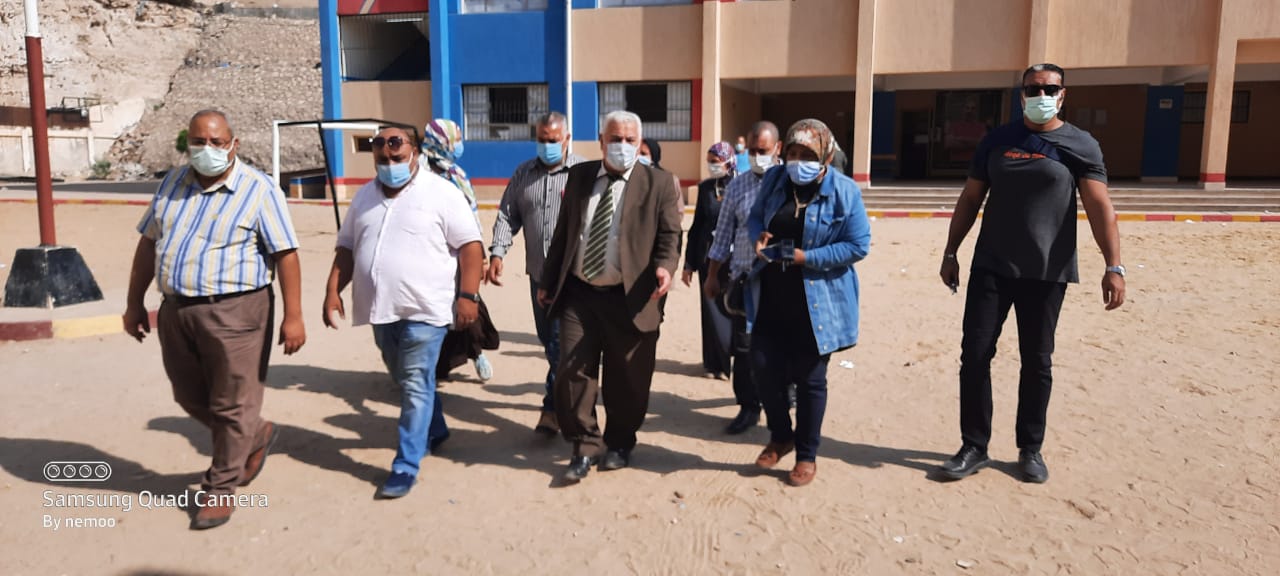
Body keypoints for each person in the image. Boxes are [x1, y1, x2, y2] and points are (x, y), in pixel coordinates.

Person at [937, 63, 1126, 484]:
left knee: (1037, 361)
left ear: (1063, 94)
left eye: (1049, 89)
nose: (1041, 95)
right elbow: (970, 198)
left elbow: (1100, 208)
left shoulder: (1081, 145)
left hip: (1046, 272)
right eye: (1033, 89)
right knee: (975, 356)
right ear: (1021, 94)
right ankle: (973, 446)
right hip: (991, 267)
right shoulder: (997, 141)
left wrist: (1113, 265)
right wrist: (951, 251)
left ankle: (1030, 448)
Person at [123, 109, 306, 529]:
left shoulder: (258, 189)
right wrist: (134, 303)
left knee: (232, 404)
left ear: (233, 144)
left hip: (237, 311)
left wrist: (293, 316)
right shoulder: (172, 183)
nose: (207, 150)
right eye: (199, 142)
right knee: (188, 396)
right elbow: (148, 244)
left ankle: (220, 488)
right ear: (187, 143)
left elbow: (286, 254)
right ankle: (254, 434)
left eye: (217, 142)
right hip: (176, 310)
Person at [322, 125, 484, 499]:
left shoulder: (442, 192)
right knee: (407, 377)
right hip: (380, 309)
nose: (389, 161)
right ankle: (435, 428)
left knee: (413, 381)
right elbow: (347, 248)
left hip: (427, 309)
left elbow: (471, 246)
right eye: (381, 155)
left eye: (397, 153)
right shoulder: (364, 197)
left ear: (415, 152)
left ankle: (406, 464)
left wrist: (468, 296)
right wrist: (332, 291)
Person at [536, 110, 683, 483]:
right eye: (615, 139)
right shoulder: (580, 176)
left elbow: (671, 235)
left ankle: (619, 442)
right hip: (580, 294)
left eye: (630, 140)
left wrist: (665, 267)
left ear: (640, 143)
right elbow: (564, 232)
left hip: (631, 296)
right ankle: (584, 444)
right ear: (601, 142)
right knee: (572, 371)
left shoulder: (660, 183)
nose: (622, 146)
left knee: (627, 378)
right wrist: (549, 279)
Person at [747, 118, 871, 487]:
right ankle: (781, 435)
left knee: (810, 379)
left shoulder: (845, 191)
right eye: (793, 153)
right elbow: (755, 218)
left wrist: (808, 258)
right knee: (763, 369)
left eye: (808, 155)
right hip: (772, 294)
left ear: (826, 157)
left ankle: (806, 454)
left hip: (818, 302)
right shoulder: (774, 180)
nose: (798, 161)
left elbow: (858, 245)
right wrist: (758, 237)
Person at [486, 111, 586, 435]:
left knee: (558, 344)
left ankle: (552, 411)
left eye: (553, 140)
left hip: (573, 279)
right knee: (548, 341)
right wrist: (498, 252)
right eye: (541, 140)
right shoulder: (524, 173)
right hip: (539, 276)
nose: (547, 146)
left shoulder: (584, 173)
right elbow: (508, 215)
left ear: (567, 139)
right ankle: (569, 396)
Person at [704, 121, 781, 434]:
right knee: (744, 348)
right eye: (751, 150)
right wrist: (712, 275)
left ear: (777, 148)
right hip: (744, 281)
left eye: (763, 150)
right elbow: (722, 235)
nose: (757, 156)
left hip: (782, 282)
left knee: (783, 346)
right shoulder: (737, 186)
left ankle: (783, 398)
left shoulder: (789, 184)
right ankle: (748, 406)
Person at [421, 119, 499, 383]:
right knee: (432, 312)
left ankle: (476, 352)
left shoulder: (457, 176)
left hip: (459, 255)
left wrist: (482, 259)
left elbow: (472, 218)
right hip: (428, 255)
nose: (458, 146)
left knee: (466, 305)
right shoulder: (416, 173)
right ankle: (432, 368)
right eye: (455, 140)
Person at [682, 141, 737, 382]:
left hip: (734, 260)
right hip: (707, 259)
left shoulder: (741, 186)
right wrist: (689, 264)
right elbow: (696, 228)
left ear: (728, 161)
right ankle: (714, 364)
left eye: (715, 162)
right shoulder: (705, 189)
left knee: (731, 311)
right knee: (710, 312)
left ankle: (732, 360)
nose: (711, 166)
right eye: (709, 162)